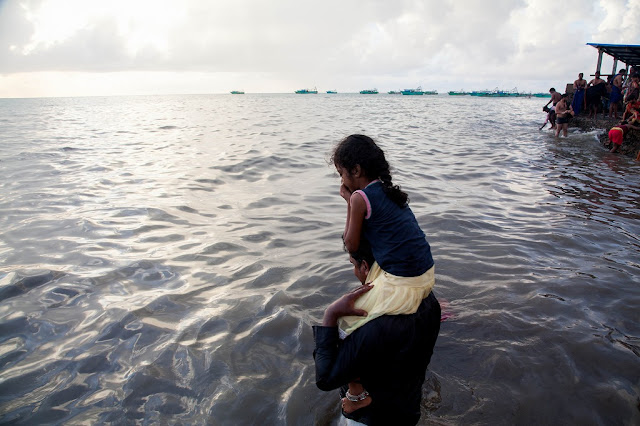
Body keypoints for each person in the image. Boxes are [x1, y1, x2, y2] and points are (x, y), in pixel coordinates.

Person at [331, 134, 436, 414]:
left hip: (404, 281)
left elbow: (351, 243)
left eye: (342, 173)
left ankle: (357, 394)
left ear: (356, 170)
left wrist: (348, 200)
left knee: (345, 323)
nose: (341, 180)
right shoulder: (388, 191)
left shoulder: (359, 197)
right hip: (425, 273)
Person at [313, 239, 441, 425]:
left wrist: (330, 315)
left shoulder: (373, 323)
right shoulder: (427, 299)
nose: (354, 271)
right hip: (409, 409)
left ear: (365, 266)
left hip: (373, 418)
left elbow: (325, 379)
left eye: (353, 264)